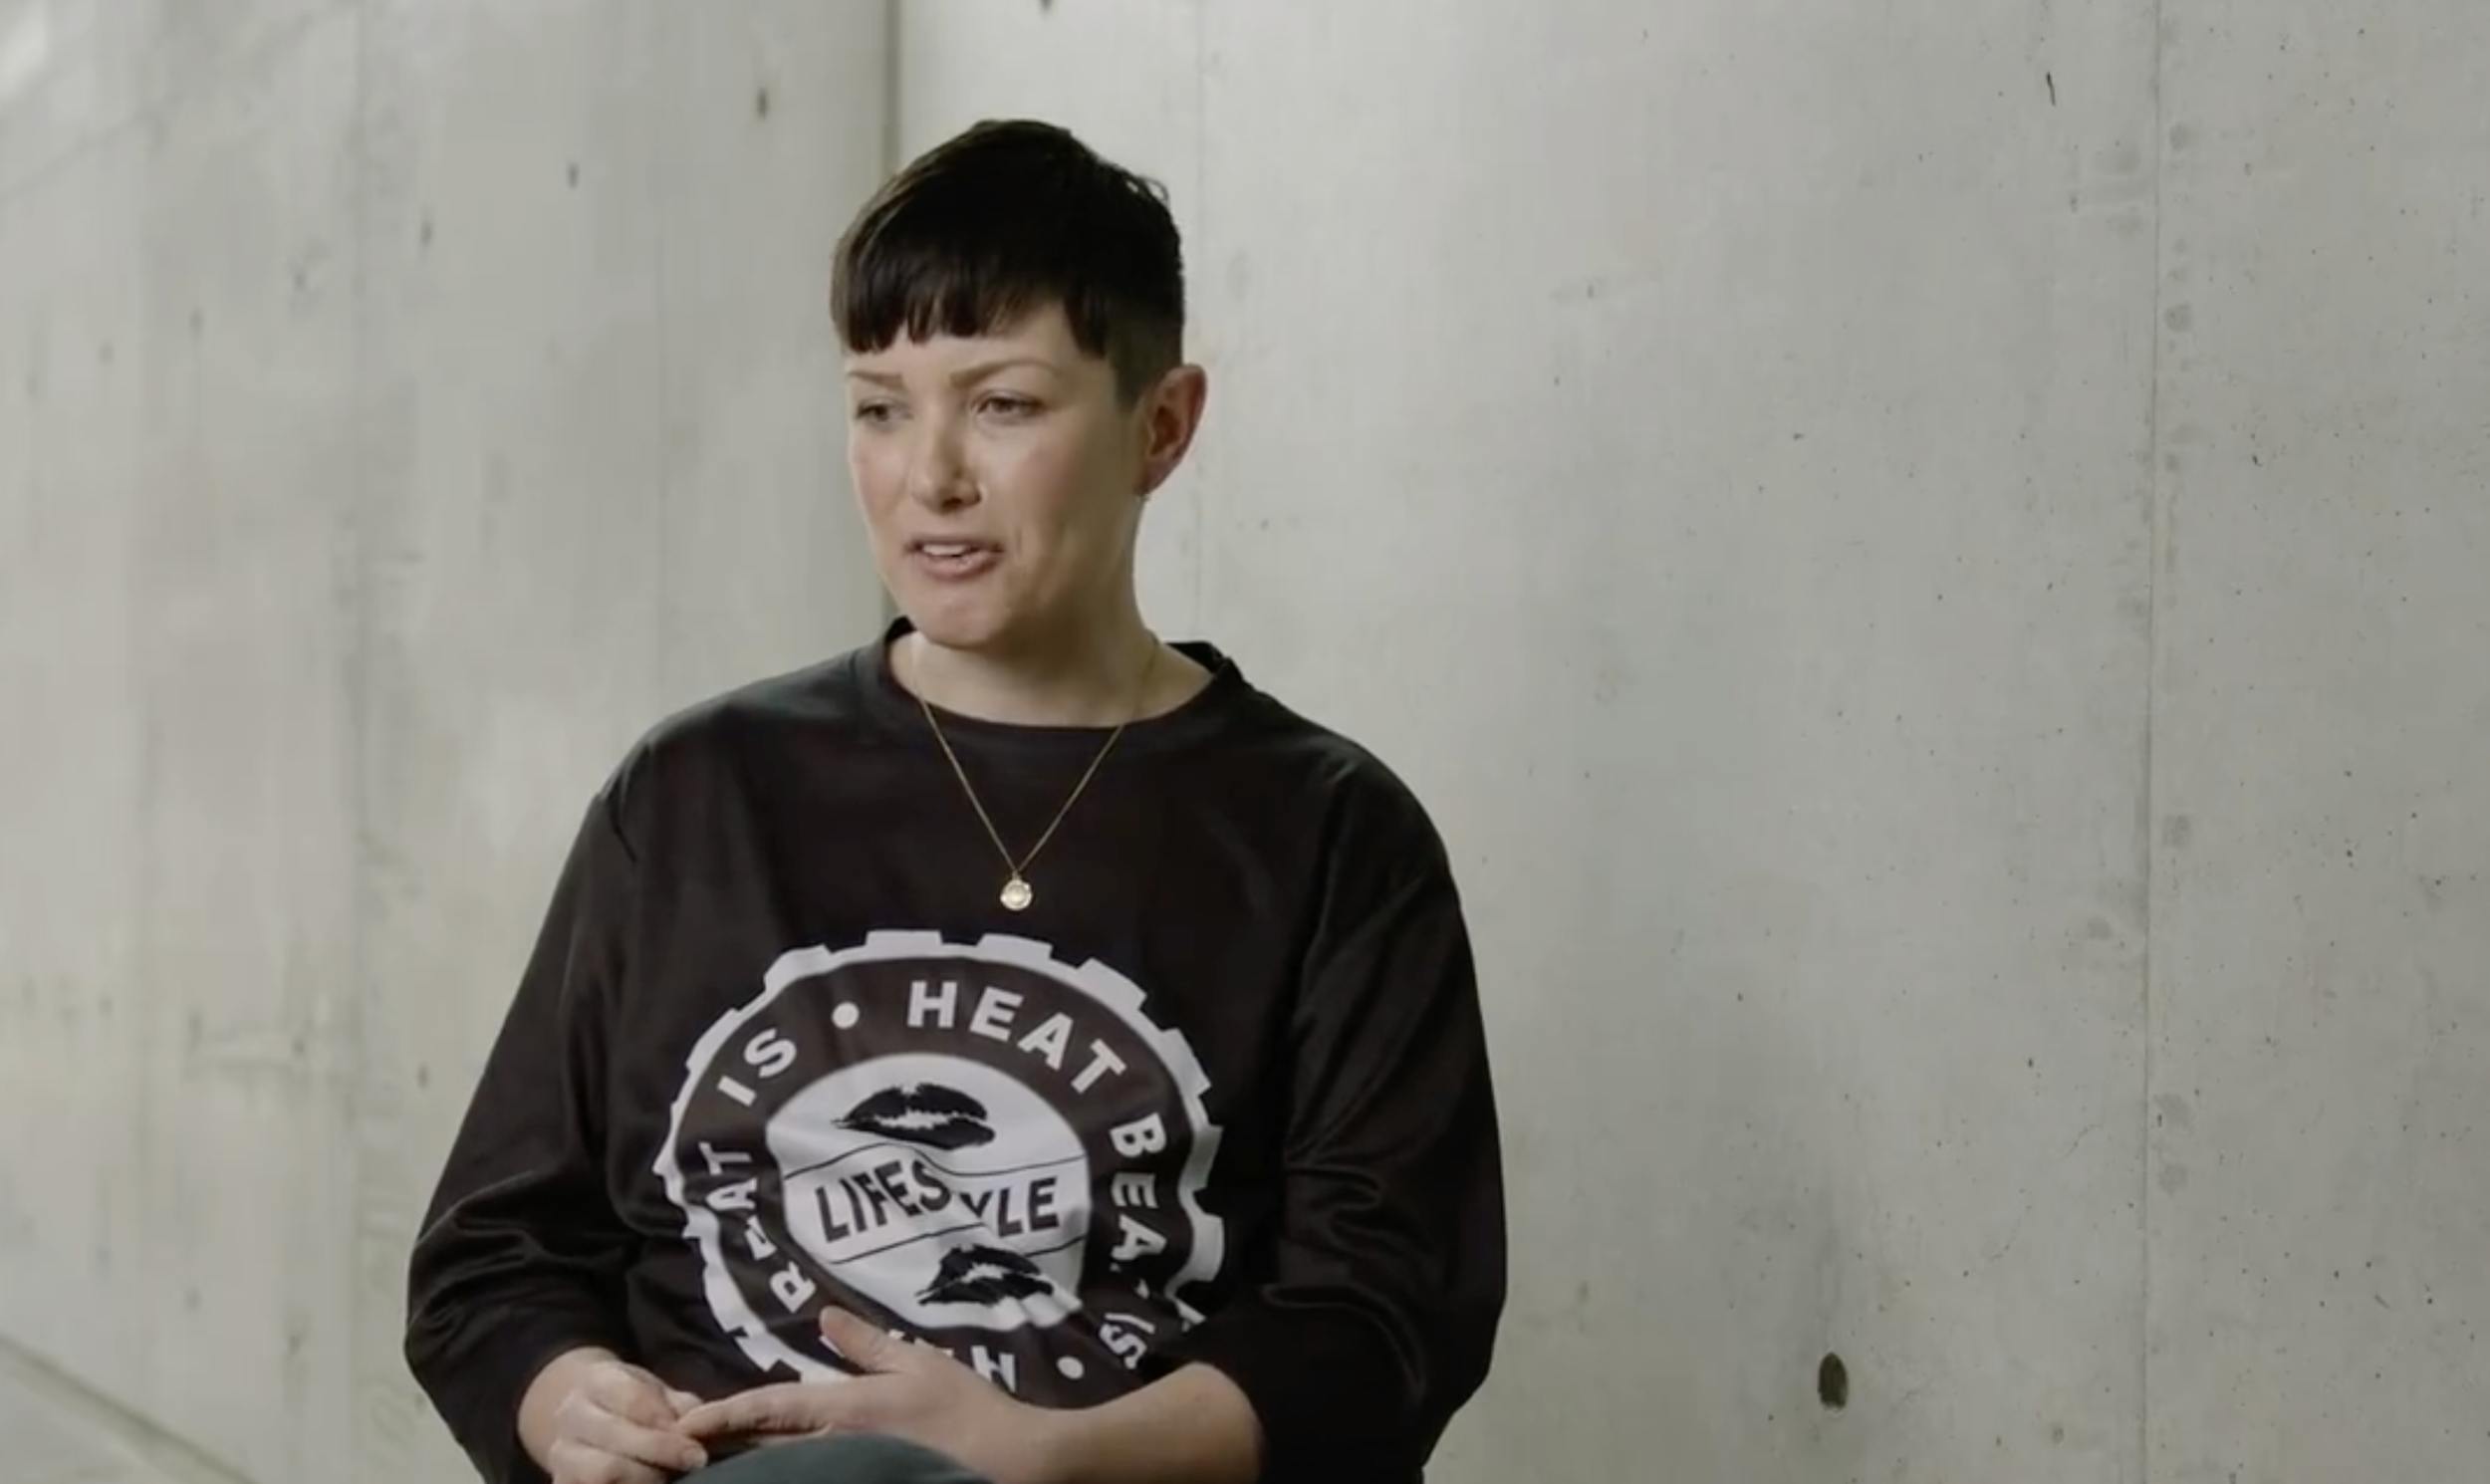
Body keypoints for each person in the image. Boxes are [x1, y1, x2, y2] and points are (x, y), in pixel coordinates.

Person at [404, 118, 1505, 1484]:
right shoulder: (695, 796)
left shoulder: (1331, 835)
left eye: (1004, 404)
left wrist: (1053, 1456)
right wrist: (563, 1394)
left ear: (1160, 426)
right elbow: (494, 1252)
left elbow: (1379, 1319)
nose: (930, 476)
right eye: (880, 406)